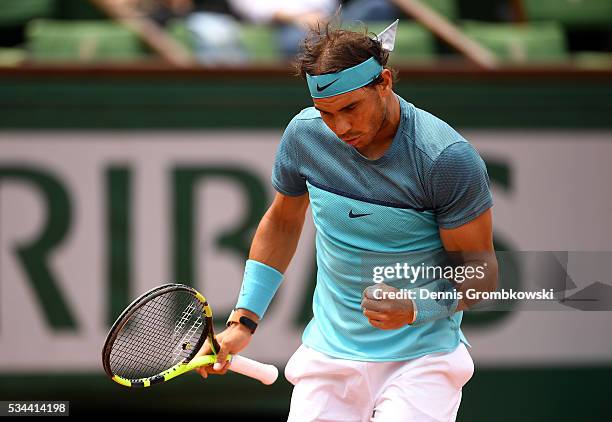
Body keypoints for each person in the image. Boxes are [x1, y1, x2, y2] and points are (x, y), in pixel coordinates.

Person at [196, 21, 498, 422]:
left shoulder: (444, 158)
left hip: (422, 362)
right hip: (329, 356)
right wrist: (242, 323)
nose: (340, 128)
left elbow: (482, 275)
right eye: (326, 113)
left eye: (351, 108)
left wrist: (414, 306)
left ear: (384, 82)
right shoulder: (304, 136)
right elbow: (283, 223)